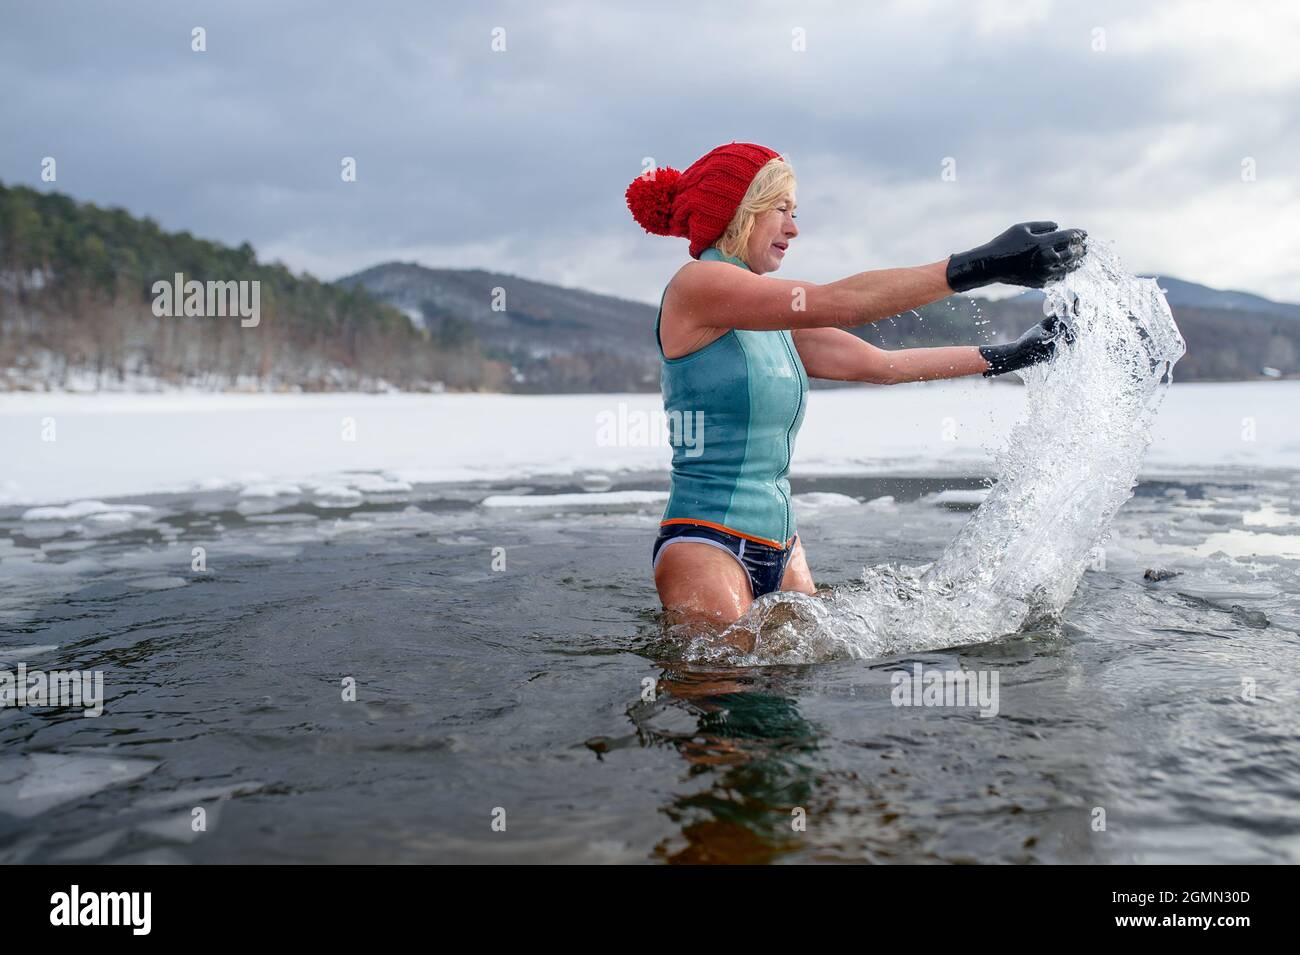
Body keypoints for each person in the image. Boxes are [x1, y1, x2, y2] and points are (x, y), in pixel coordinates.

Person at [625, 141, 1085, 633]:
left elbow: (884, 366)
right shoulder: (698, 285)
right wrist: (983, 265)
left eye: (794, 212)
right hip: (706, 543)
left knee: (790, 689)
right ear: (740, 209)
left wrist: (1011, 356)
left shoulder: (771, 320)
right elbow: (839, 302)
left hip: (783, 547)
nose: (793, 228)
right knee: (724, 687)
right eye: (781, 209)